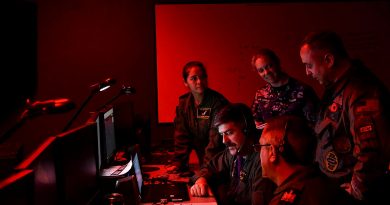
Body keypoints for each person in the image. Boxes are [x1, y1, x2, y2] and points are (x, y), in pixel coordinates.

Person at [300, 31, 390, 204]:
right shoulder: (335, 87)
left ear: (329, 60)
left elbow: (371, 152)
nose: (307, 73)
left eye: (309, 65)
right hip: (334, 184)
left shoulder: (360, 90)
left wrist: (356, 190)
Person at [256, 115, 358, 205]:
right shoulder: (331, 187)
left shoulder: (284, 201)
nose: (258, 153)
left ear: (272, 152)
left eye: (260, 146)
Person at [190, 103, 275, 205]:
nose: (224, 141)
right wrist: (201, 180)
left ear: (246, 130)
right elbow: (209, 167)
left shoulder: (263, 162)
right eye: (222, 134)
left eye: (229, 133)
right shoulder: (232, 154)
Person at [168, 61, 229, 174]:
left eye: (202, 77)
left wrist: (204, 170)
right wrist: (178, 163)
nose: (199, 81)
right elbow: (181, 137)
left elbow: (215, 142)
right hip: (205, 164)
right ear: (185, 82)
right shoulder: (184, 104)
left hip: (222, 161)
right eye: (194, 78)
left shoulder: (218, 103)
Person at [251, 48, 319, 131]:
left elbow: (316, 124)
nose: (266, 72)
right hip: (270, 142)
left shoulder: (303, 90)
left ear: (277, 63)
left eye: (269, 66)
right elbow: (255, 122)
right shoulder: (260, 94)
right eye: (261, 70)